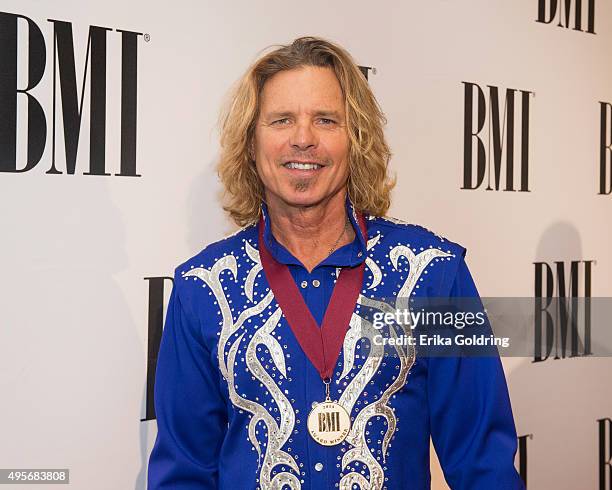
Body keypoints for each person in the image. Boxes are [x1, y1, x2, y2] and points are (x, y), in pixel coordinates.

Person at [147, 36, 524, 489]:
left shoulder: (432, 274)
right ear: (251, 142)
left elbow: (483, 464)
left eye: (326, 120)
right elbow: (183, 473)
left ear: (356, 140)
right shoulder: (202, 287)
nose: (303, 139)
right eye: (281, 120)